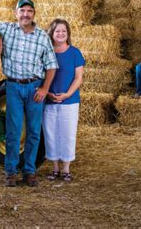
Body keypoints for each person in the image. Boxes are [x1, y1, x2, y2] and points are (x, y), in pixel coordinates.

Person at [0, 0, 58, 187]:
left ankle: (29, 171)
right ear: (16, 13)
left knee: (34, 131)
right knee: (13, 131)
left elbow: (52, 66)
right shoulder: (7, 30)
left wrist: (45, 88)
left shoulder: (42, 36)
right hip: (12, 87)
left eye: (29, 11)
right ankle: (10, 172)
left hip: (34, 87)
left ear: (34, 14)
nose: (25, 14)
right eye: (22, 11)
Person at [42, 19, 84, 182]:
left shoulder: (75, 53)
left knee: (68, 134)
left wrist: (67, 94)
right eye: (57, 31)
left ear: (68, 34)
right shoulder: (46, 52)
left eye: (64, 31)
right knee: (51, 133)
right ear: (51, 33)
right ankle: (55, 167)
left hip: (70, 100)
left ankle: (66, 168)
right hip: (50, 99)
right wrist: (48, 93)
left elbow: (78, 78)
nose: (60, 34)